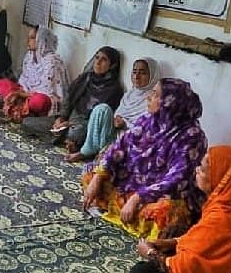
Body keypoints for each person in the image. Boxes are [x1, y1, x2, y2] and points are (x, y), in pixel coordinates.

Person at [83, 78, 208, 241]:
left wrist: (138, 197)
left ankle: (133, 217)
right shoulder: (147, 121)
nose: (148, 97)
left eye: (155, 94)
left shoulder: (192, 137)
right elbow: (118, 148)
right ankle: (120, 210)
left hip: (163, 194)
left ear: (169, 103)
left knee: (166, 212)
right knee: (91, 176)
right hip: (130, 182)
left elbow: (177, 179)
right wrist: (98, 178)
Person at [47, 47, 122, 157]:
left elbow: (99, 120)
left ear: (113, 65)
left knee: (75, 133)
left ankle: (72, 141)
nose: (98, 62)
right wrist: (61, 118)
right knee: (31, 123)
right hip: (70, 119)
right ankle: (67, 138)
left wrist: (70, 124)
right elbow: (68, 99)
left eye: (104, 60)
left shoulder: (114, 89)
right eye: (96, 58)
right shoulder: (85, 78)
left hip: (86, 125)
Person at [0, 25, 68, 122]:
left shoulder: (52, 61)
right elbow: (23, 81)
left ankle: (24, 109)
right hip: (25, 93)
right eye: (29, 37)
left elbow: (45, 92)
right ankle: (23, 109)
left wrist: (17, 94)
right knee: (1, 83)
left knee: (39, 102)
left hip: (42, 98)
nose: (28, 41)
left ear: (42, 40)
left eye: (32, 38)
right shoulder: (29, 56)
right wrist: (18, 93)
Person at [112, 57, 161, 131]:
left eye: (142, 73)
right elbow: (117, 115)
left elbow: (146, 128)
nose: (136, 76)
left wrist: (125, 124)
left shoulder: (153, 99)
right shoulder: (129, 94)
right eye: (134, 72)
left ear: (153, 76)